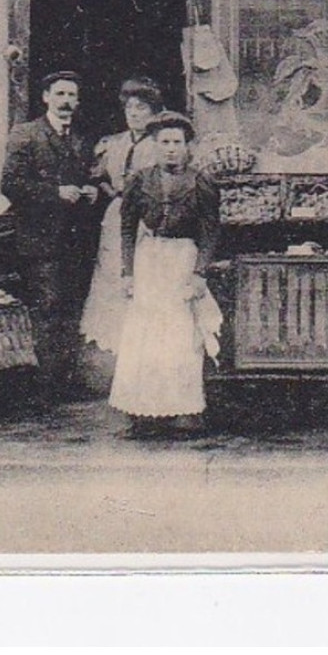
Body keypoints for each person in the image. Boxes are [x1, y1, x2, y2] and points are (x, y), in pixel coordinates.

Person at [110, 111, 222, 437]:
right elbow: (128, 230)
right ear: (155, 146)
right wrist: (127, 273)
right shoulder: (139, 181)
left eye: (177, 142)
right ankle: (141, 412)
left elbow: (210, 232)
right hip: (150, 262)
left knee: (180, 334)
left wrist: (200, 273)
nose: (171, 149)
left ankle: (182, 412)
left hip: (182, 261)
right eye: (164, 142)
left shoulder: (201, 182)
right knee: (144, 335)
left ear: (187, 146)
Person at [0, 71, 98, 403]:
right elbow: (11, 185)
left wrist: (91, 191)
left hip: (76, 242)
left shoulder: (82, 142)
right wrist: (56, 193)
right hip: (40, 242)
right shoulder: (26, 135)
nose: (66, 101)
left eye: (72, 95)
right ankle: (41, 387)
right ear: (45, 97)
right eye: (60, 94)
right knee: (46, 308)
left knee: (71, 310)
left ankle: (64, 380)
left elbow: (88, 179)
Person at [80, 77, 165, 356]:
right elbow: (98, 175)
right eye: (129, 108)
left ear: (153, 112)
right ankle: (112, 352)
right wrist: (110, 190)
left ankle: (143, 351)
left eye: (141, 108)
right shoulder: (112, 143)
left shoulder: (160, 144)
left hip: (148, 217)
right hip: (117, 216)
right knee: (113, 277)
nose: (134, 113)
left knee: (144, 277)